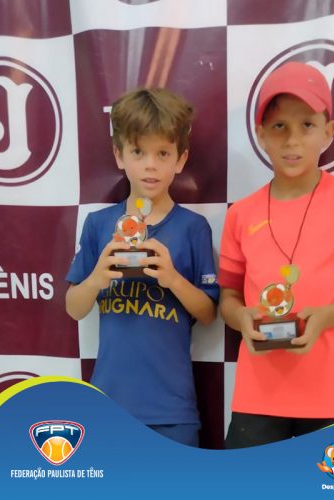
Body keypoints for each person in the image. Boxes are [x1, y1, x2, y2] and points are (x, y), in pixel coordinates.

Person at [218, 61, 334, 448]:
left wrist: (326, 317)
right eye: (279, 126)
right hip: (257, 396)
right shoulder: (240, 214)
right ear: (261, 135)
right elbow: (228, 298)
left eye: (307, 125)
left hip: (331, 396)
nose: (292, 140)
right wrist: (241, 316)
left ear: (328, 132)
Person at [65, 87, 219, 447]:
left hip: (173, 410)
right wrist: (97, 277)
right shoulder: (99, 225)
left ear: (180, 159)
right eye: (138, 152)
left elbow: (209, 313)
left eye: (162, 153)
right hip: (109, 406)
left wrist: (172, 278)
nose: (151, 165)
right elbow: (73, 308)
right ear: (119, 155)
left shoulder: (194, 228)